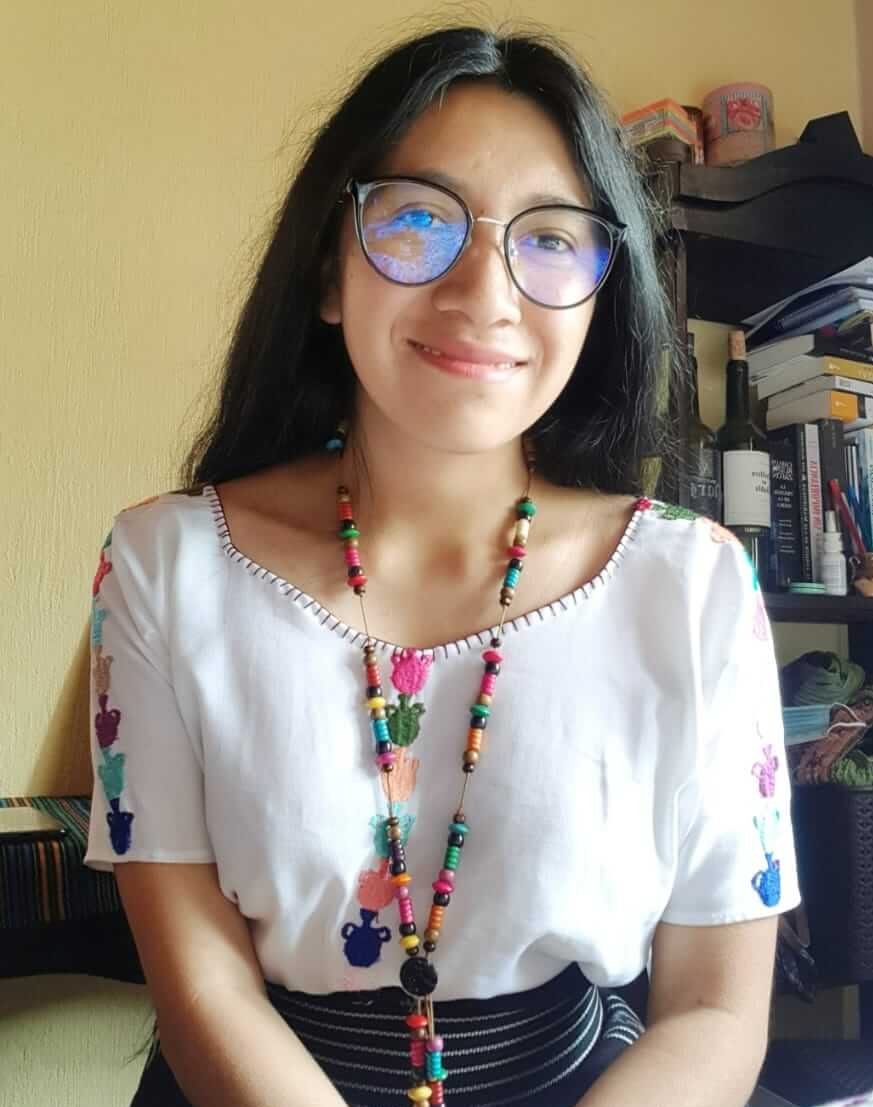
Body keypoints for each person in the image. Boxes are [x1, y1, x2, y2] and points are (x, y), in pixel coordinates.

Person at [84, 21, 801, 1107]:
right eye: (418, 218)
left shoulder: (694, 584)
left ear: (600, 292)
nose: (484, 292)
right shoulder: (164, 567)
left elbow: (714, 1008)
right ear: (328, 270)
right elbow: (203, 987)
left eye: (549, 237)